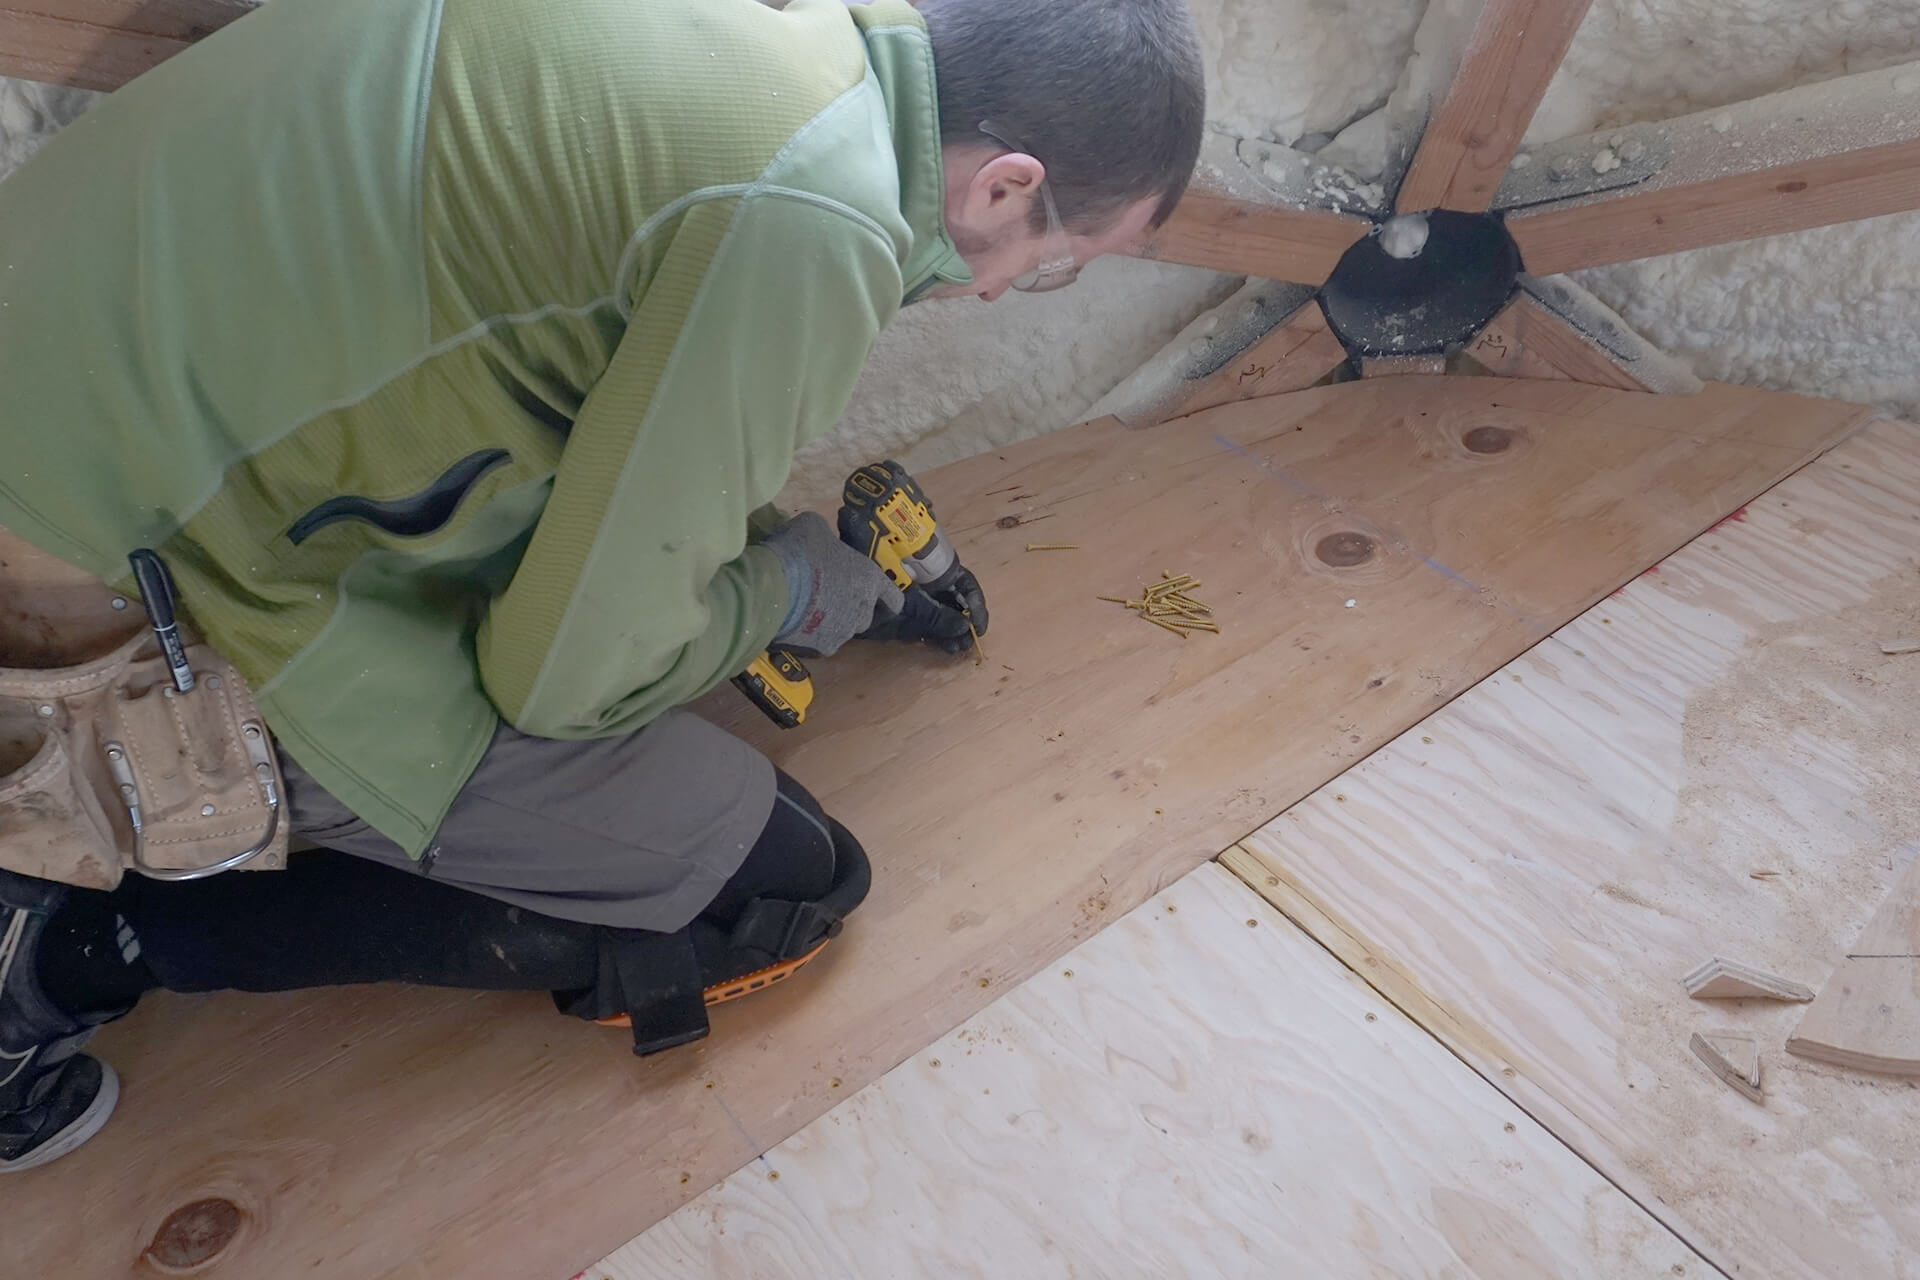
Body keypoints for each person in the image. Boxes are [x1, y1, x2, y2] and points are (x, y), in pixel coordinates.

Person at [0, 0, 1205, 1171]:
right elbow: (564, 680)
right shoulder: (812, 216)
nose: (1002, 290)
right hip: (110, 599)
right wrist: (779, 590)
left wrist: (738, 567)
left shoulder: (748, 49)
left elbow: (541, 377)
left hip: (112, 445)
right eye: (1052, 262)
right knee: (774, 883)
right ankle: (66, 946)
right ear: (1006, 184)